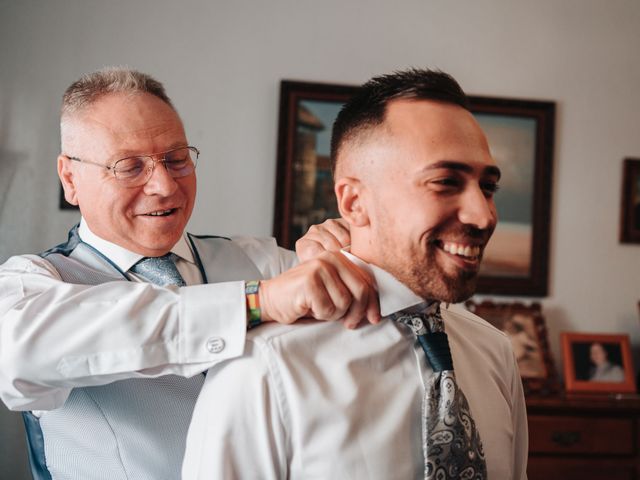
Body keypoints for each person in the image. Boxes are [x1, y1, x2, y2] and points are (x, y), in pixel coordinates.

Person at [0, 67, 380, 480]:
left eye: (177, 159)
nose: (164, 185)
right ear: (70, 178)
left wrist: (346, 253)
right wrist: (256, 303)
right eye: (129, 167)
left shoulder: (256, 260)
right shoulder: (32, 285)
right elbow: (19, 352)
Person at [182, 68, 528, 479]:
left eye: (488, 187)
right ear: (354, 201)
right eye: (445, 182)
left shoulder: (495, 353)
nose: (483, 215)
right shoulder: (265, 368)